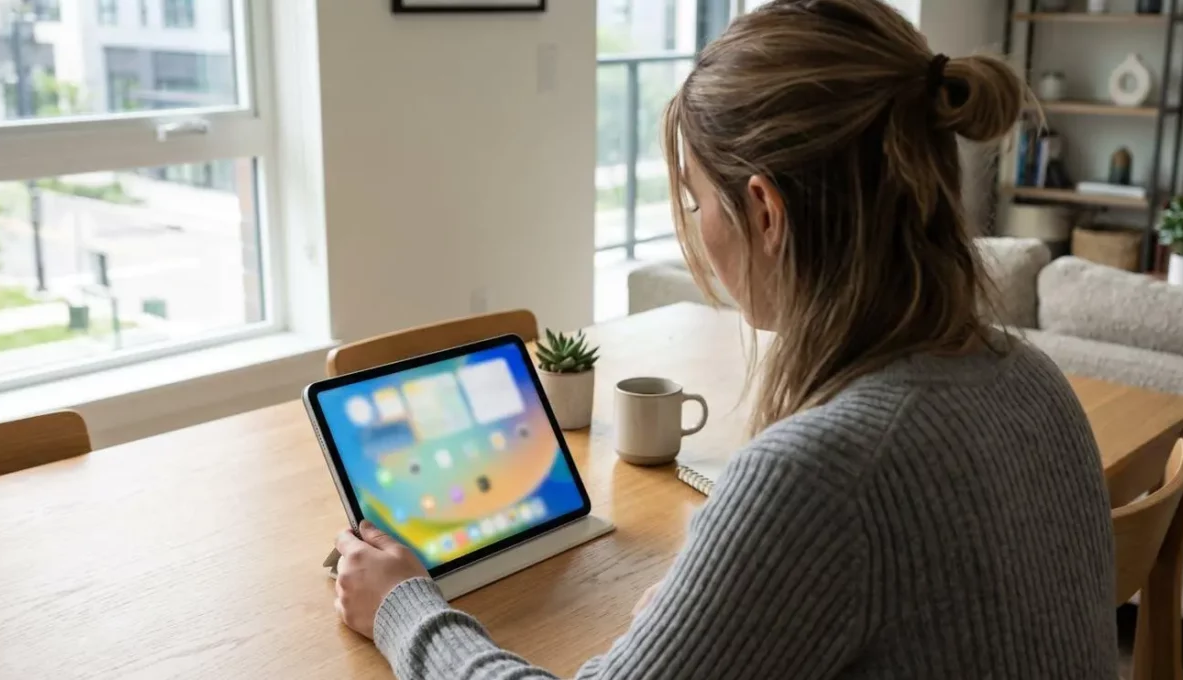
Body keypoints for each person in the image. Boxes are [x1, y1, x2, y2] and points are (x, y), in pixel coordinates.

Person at [330, 0, 1118, 677]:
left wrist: (404, 607)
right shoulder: (1032, 379)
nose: (697, 232)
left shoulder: (823, 472)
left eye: (697, 197)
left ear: (765, 212)